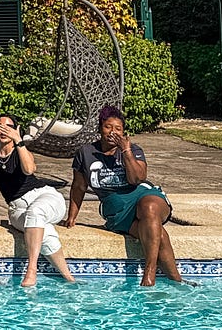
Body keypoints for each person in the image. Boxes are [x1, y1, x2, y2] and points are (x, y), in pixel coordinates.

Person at [66, 105, 187, 286]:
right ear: (100, 128)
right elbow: (78, 187)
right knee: (158, 235)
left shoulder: (133, 150)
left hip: (144, 197)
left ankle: (149, 274)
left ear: (123, 132)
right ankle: (176, 280)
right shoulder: (86, 153)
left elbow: (137, 178)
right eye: (108, 127)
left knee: (150, 207)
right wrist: (71, 217)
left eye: (118, 129)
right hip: (118, 211)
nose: (113, 132)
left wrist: (126, 152)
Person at [0, 114, 75, 287]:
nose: (3, 129)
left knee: (36, 212)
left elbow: (29, 169)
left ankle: (31, 269)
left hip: (44, 196)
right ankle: (69, 278)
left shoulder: (21, 150)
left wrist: (19, 141)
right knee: (44, 232)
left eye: (8, 126)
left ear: (15, 130)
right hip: (17, 208)